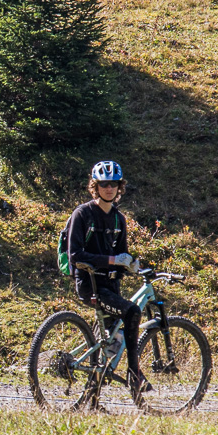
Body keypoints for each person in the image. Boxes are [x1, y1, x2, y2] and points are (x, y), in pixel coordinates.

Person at [65, 160, 148, 391]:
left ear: (120, 187)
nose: (109, 188)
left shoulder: (119, 219)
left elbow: (121, 255)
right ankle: (134, 374)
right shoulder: (82, 214)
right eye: (103, 184)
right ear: (96, 186)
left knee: (109, 341)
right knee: (132, 311)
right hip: (90, 284)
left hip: (111, 287)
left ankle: (92, 396)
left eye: (114, 184)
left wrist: (130, 264)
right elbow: (75, 255)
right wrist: (112, 260)